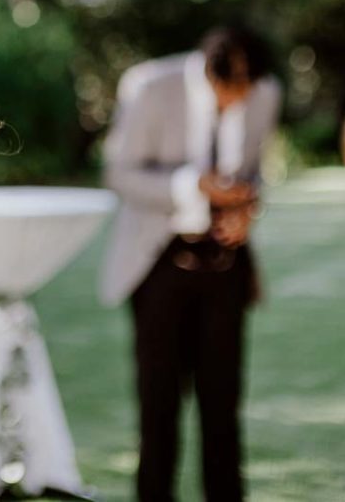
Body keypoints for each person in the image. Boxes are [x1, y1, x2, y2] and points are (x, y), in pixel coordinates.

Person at [100, 26, 282, 502]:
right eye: (230, 90)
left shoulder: (266, 95)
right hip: (158, 264)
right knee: (159, 410)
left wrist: (247, 210)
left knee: (223, 406)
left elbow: (254, 173)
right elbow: (119, 173)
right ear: (208, 72)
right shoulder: (150, 87)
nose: (237, 101)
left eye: (247, 90)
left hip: (226, 269)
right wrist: (193, 187)